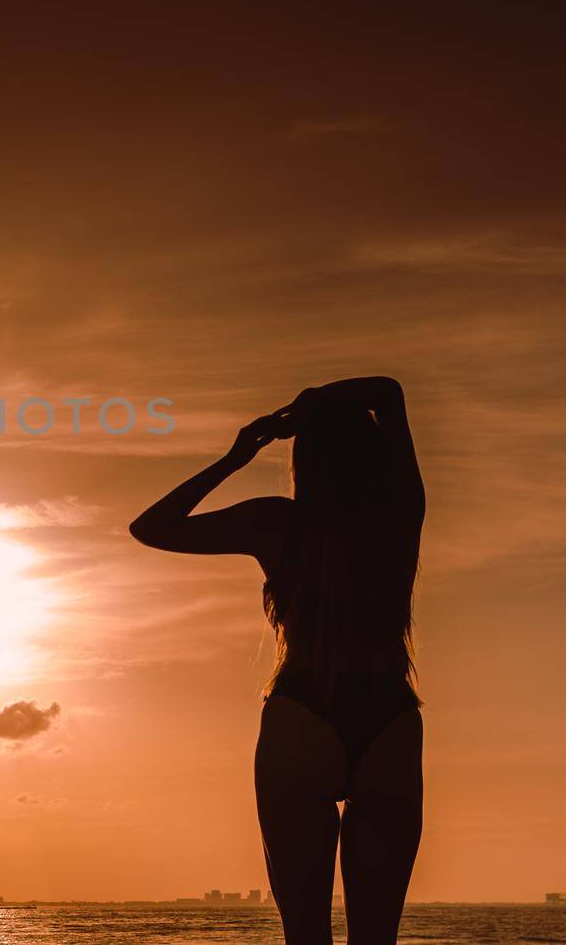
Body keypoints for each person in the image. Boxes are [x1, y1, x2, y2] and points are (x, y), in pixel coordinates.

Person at [131, 376, 425, 944]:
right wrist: (312, 405)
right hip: (388, 713)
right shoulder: (400, 515)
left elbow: (151, 528)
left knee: (304, 938)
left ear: (305, 458)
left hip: (302, 712)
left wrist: (239, 455)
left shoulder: (278, 521)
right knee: (377, 939)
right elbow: (388, 391)